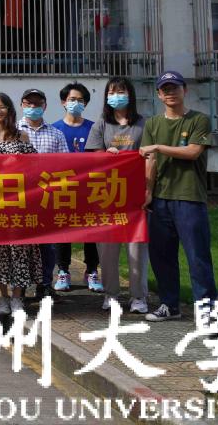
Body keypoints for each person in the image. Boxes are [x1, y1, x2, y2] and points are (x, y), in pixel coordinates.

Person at [140, 71, 216, 323]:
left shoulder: (199, 120)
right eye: (166, 89)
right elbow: (150, 161)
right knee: (162, 256)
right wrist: (148, 192)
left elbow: (193, 152)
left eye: (175, 87)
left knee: (197, 256)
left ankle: (206, 310)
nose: (170, 93)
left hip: (189, 197)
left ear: (185, 90)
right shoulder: (152, 124)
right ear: (159, 95)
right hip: (160, 198)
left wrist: (158, 147)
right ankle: (169, 304)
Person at [0, 94, 42, 318]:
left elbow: (34, 168)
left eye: (2, 107)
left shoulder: (21, 136)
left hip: (18, 204)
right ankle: (3, 296)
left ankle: (17, 297)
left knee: (19, 249)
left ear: (9, 110)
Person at [87, 76, 149, 314]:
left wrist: (148, 189)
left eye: (121, 91)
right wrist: (106, 155)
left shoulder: (144, 124)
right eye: (112, 92)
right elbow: (93, 157)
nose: (116, 96)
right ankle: (111, 294)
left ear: (130, 94)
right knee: (107, 250)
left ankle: (139, 297)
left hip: (135, 196)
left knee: (137, 249)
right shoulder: (101, 124)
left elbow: (151, 157)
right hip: (107, 194)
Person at [49, 82, 102, 294]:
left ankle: (92, 271)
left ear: (86, 104)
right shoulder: (54, 129)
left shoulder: (94, 128)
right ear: (63, 102)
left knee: (91, 230)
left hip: (89, 188)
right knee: (63, 230)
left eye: (80, 100)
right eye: (72, 99)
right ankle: (63, 271)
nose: (76, 103)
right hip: (63, 188)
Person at [16, 88, 69, 300]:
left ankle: (45, 284)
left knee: (48, 245)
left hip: (47, 198)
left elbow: (65, 166)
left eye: (37, 104)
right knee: (21, 245)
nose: (33, 107)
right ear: (21, 105)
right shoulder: (12, 131)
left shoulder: (56, 133)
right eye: (28, 103)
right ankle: (20, 286)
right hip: (19, 199)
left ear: (44, 106)